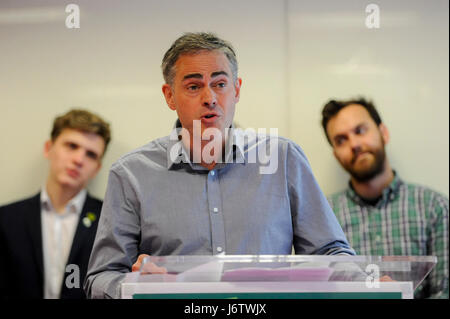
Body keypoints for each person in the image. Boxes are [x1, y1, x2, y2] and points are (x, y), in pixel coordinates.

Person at [84, 32, 354, 299]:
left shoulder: (283, 159)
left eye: (220, 84)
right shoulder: (131, 174)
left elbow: (329, 253)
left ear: (236, 89)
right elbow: (101, 277)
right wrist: (136, 287)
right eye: (193, 86)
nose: (210, 98)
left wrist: (373, 282)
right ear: (169, 96)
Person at [321, 97, 449, 299]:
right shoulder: (324, 217)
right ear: (336, 154)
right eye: (341, 140)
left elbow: (445, 292)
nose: (354, 144)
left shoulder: (435, 208)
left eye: (360, 130)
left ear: (384, 133)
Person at [0, 109, 111, 299]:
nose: (78, 160)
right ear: (48, 148)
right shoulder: (6, 219)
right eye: (71, 146)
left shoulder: (111, 221)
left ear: (97, 169)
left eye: (91, 155)